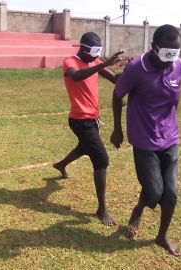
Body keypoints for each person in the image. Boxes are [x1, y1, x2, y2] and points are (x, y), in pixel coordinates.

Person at [110, 24, 181, 256]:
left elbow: (175, 98)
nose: (171, 60)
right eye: (166, 54)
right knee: (154, 193)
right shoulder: (135, 68)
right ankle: (139, 208)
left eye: (175, 54)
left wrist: (171, 124)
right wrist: (117, 129)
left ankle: (162, 237)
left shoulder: (178, 65)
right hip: (144, 140)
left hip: (169, 138)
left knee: (170, 194)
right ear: (154, 47)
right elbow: (117, 94)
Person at [53, 32, 124, 226]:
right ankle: (102, 209)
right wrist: (102, 64)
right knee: (101, 158)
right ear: (84, 48)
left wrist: (132, 69)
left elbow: (115, 79)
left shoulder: (94, 61)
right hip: (79, 120)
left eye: (98, 53)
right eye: (94, 52)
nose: (96, 56)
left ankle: (61, 165)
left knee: (85, 147)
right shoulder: (70, 62)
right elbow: (76, 76)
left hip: (93, 119)